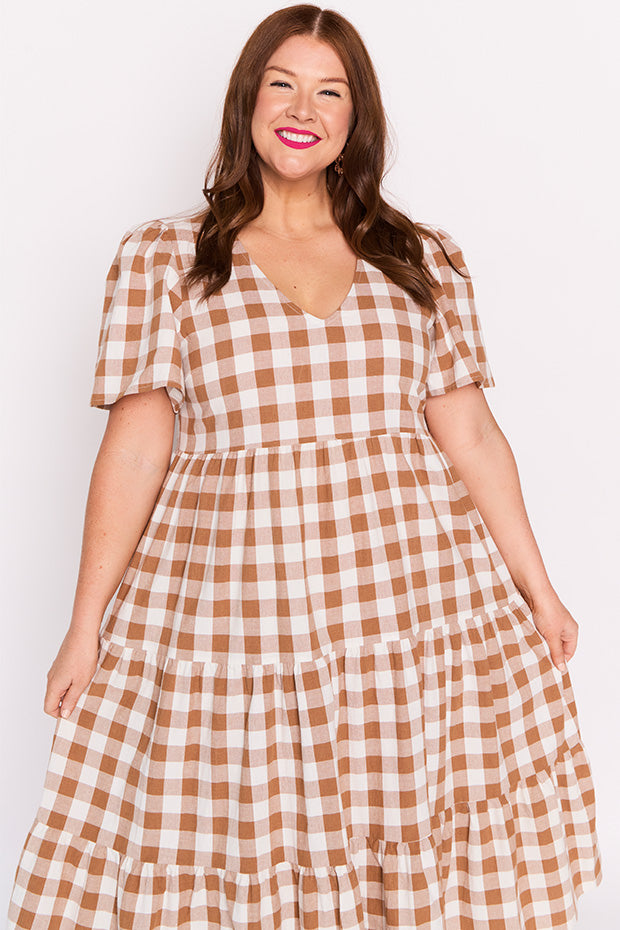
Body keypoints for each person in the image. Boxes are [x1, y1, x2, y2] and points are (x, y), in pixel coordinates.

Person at [7, 5, 602, 928]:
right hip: (241, 611)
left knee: (399, 818)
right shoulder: (166, 258)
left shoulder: (417, 258)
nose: (302, 109)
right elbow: (135, 449)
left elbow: (474, 438)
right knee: (249, 831)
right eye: (282, 84)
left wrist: (542, 591)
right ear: (247, 100)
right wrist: (84, 627)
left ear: (355, 119)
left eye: (330, 92)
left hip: (408, 605)